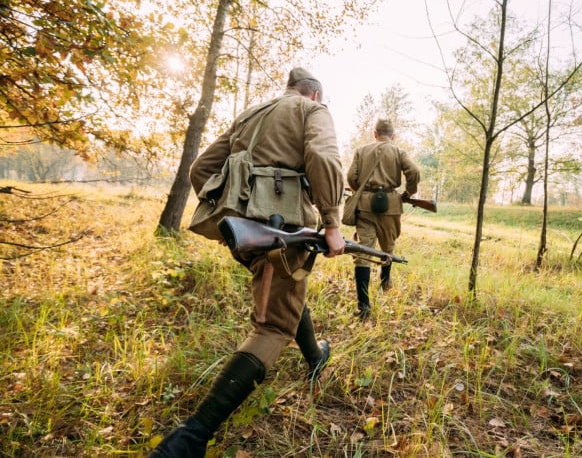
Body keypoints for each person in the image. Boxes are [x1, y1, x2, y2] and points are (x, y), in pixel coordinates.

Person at [149, 67, 346, 458]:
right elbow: (323, 158)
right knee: (272, 325)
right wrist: (332, 223)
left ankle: (314, 356)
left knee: (284, 291)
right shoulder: (312, 111)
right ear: (314, 94)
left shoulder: (251, 114)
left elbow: (200, 169)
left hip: (242, 232)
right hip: (280, 229)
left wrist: (233, 216)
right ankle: (190, 438)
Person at [346, 118, 420, 320]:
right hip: (391, 204)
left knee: (363, 249)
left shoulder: (361, 151)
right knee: (388, 245)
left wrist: (361, 190)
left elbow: (351, 177)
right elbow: (414, 172)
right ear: (393, 136)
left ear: (375, 133)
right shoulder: (399, 152)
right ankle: (385, 280)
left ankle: (363, 306)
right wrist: (408, 192)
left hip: (365, 205)